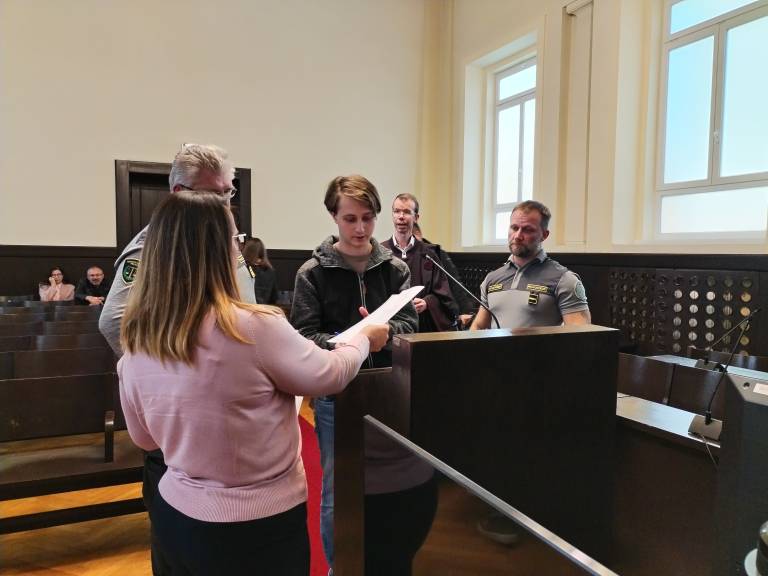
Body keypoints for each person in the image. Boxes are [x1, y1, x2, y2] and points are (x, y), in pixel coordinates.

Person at [118, 190, 390, 575]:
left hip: (175, 518)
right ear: (218, 250)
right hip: (256, 526)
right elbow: (330, 373)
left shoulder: (138, 337)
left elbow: (145, 440)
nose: (240, 249)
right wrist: (363, 339)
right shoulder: (252, 327)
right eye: (235, 239)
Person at [99, 143, 257, 576]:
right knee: (178, 548)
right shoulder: (153, 245)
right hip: (180, 426)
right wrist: (170, 374)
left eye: (227, 192)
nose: (223, 203)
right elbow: (113, 322)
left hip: (230, 420)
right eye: (211, 194)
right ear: (177, 193)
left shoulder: (224, 240)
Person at [291, 175, 435, 574]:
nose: (360, 229)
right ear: (333, 217)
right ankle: (341, 567)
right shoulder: (312, 273)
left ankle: (386, 560)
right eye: (350, 219)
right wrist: (356, 340)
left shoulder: (394, 269)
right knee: (338, 489)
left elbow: (410, 327)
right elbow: (303, 338)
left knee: (392, 484)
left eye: (368, 218)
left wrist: (384, 331)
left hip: (390, 391)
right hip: (337, 395)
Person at [471, 200, 590, 545]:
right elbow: (477, 328)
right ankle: (501, 511)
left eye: (528, 229)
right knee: (498, 450)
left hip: (540, 386)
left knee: (531, 455)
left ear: (544, 235)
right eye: (514, 227)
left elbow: (582, 336)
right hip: (495, 381)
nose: (518, 235)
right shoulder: (493, 279)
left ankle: (534, 520)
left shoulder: (564, 279)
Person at [381, 194, 459, 332]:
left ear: (416, 217)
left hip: (422, 326)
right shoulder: (381, 252)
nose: (401, 216)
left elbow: (444, 296)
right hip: (390, 327)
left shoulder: (428, 254)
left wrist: (427, 302)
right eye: (397, 211)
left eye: (406, 212)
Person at [413, 222, 476, 328]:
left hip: (435, 317)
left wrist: (465, 312)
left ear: (418, 235)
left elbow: (454, 284)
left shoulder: (436, 254)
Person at [242, 237, 279, 305]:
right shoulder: (270, 271)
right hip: (264, 309)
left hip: (248, 308)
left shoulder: (246, 269)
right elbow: (274, 297)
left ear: (247, 251)